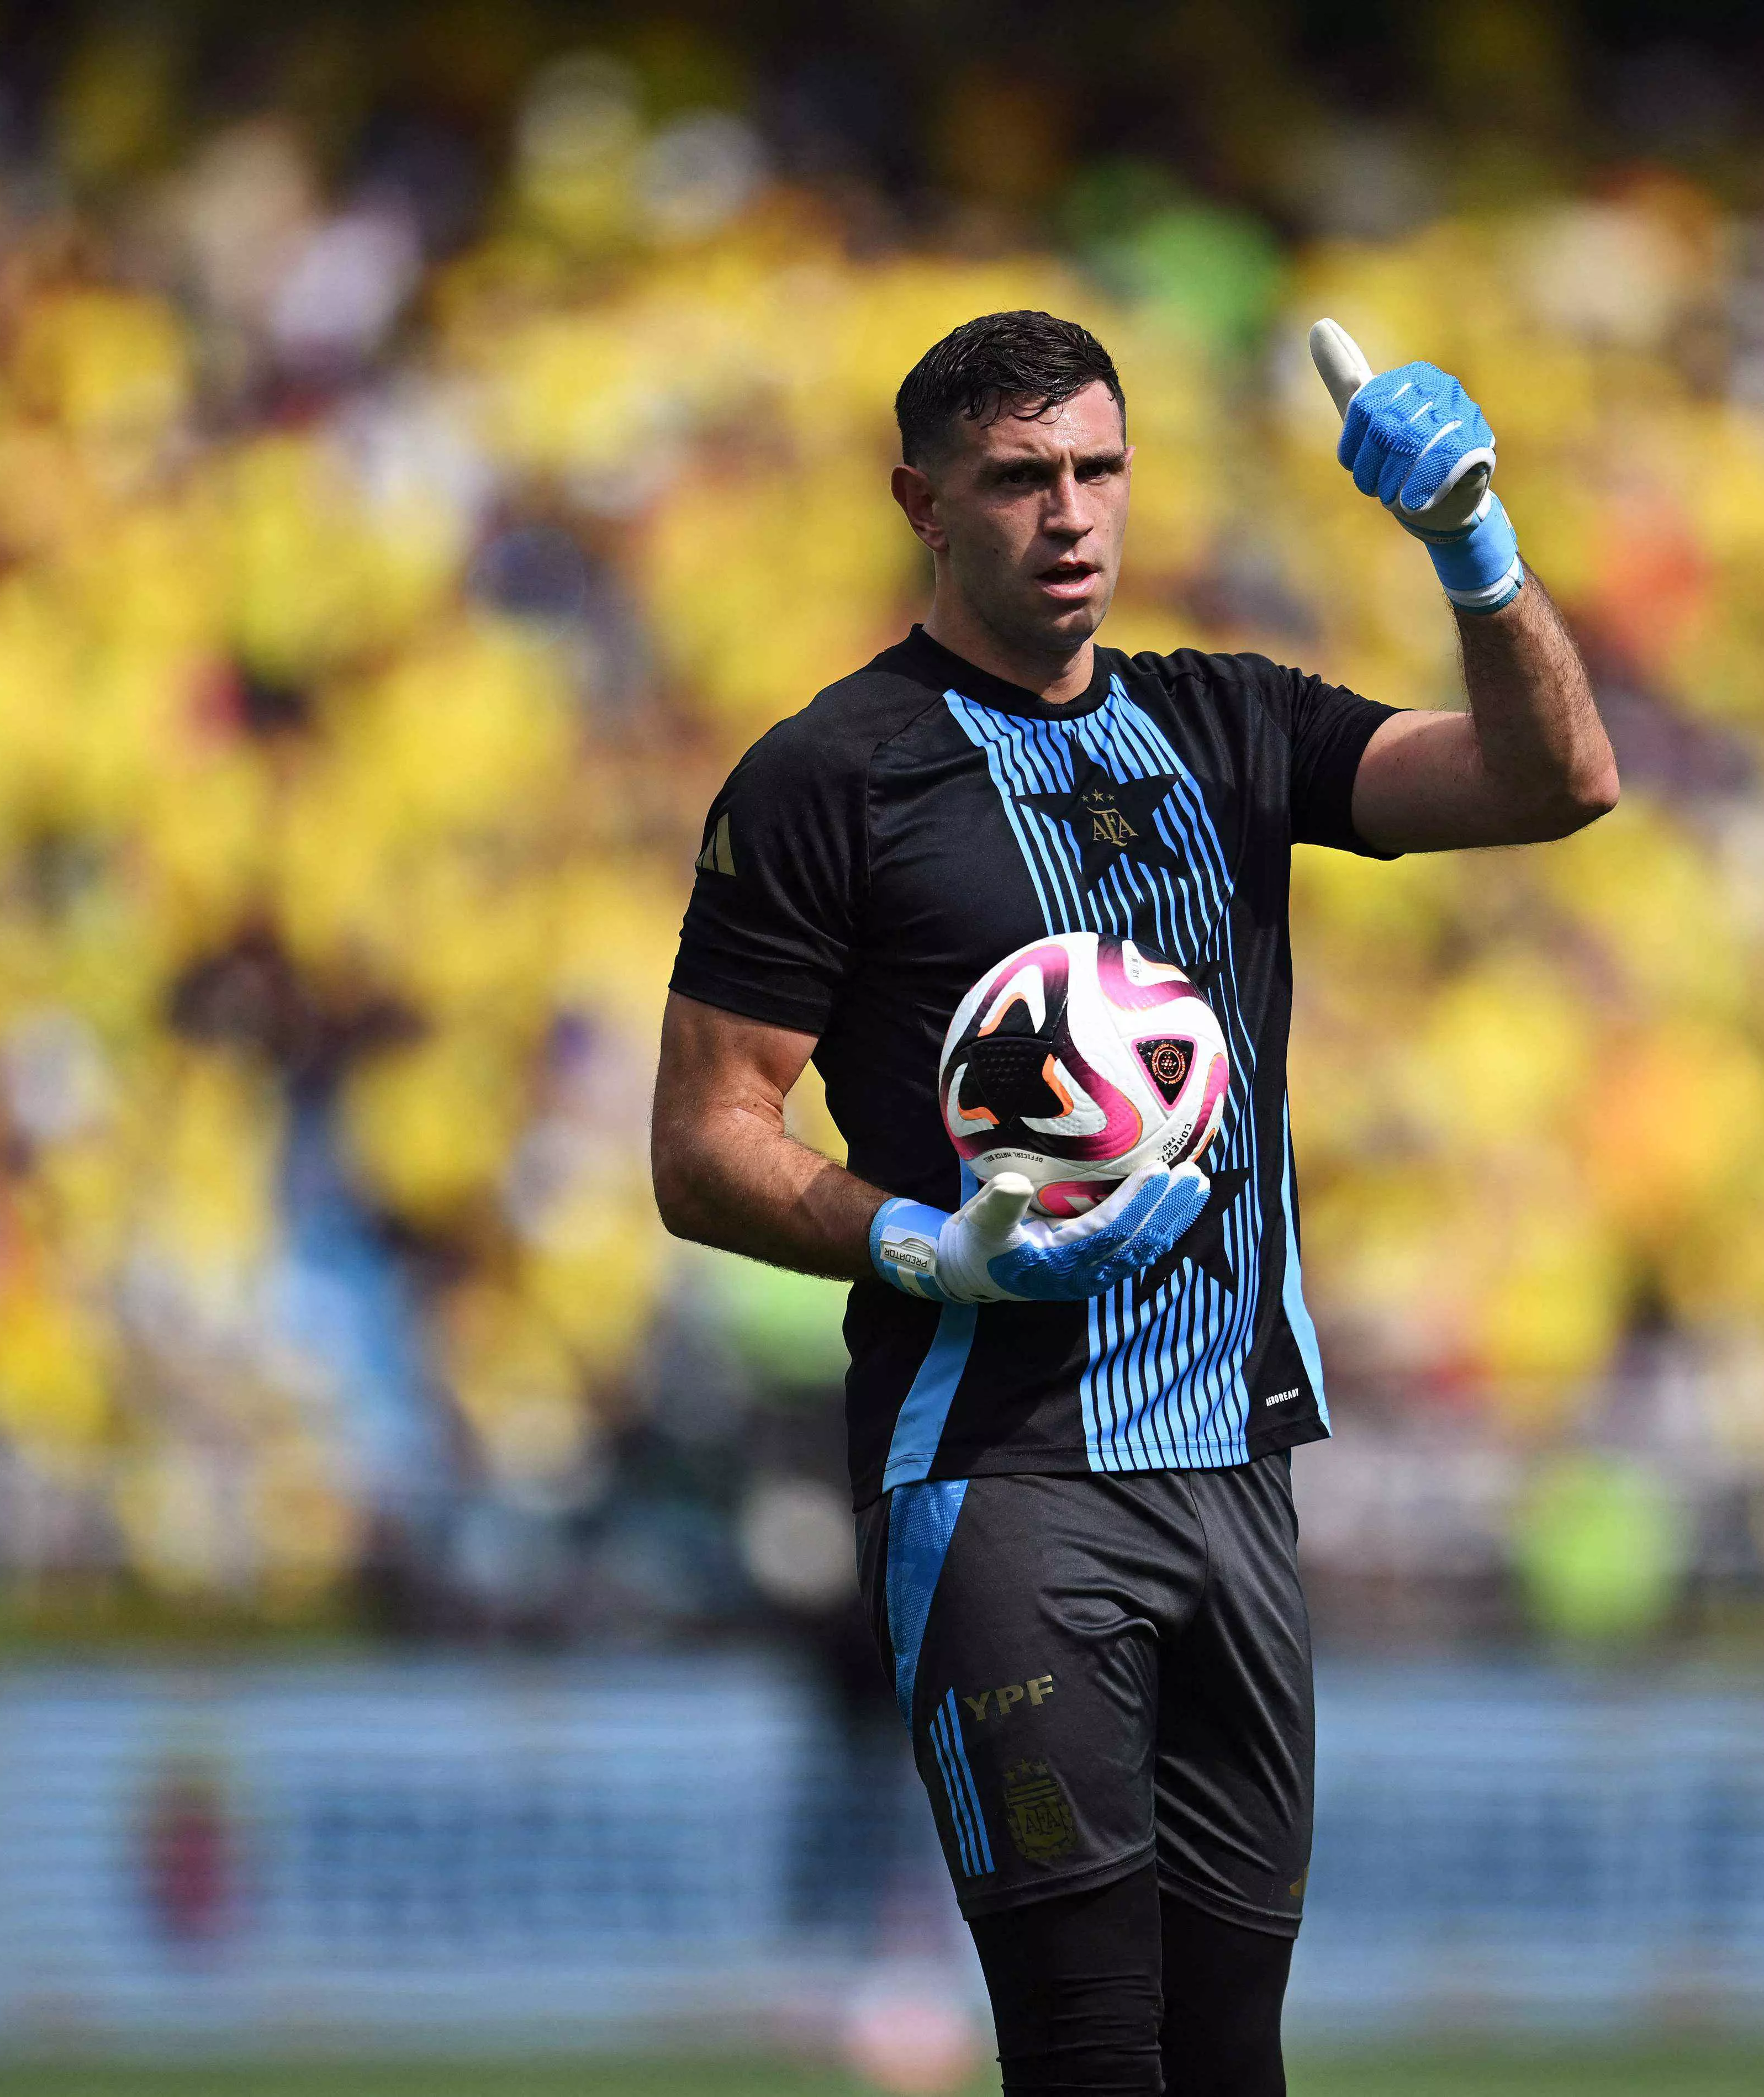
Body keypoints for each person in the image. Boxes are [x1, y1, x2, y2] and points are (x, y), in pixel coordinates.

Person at [650, 309, 1613, 2094]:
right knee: (1096, 2055)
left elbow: (1561, 779)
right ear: (922, 503)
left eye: (1098, 468)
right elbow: (706, 1134)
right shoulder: (828, 777)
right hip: (1000, 1481)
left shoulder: (1228, 723)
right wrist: (925, 1243)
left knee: (1230, 2061)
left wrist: (1473, 539)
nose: (1071, 512)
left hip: (1236, 1475)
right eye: (1020, 479)